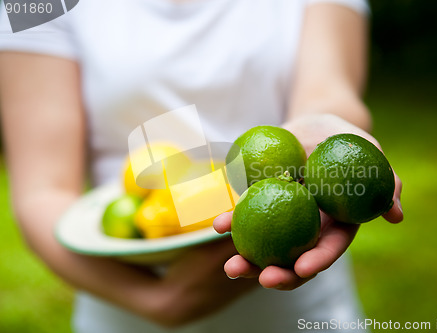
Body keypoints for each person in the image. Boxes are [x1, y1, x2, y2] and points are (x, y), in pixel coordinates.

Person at [0, 0, 403, 332]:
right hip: (125, 311)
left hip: (304, 301)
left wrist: (326, 129)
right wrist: (155, 301)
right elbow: (43, 191)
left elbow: (329, 90)